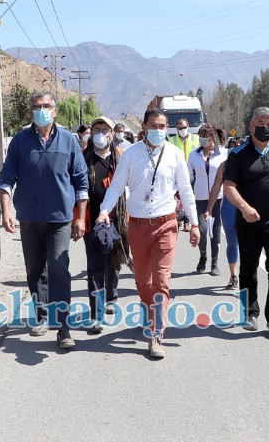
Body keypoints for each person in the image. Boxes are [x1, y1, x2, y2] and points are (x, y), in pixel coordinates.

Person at [96, 108, 201, 359]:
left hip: (166, 224)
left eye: (163, 126)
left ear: (168, 128)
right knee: (144, 281)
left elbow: (186, 191)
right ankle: (148, 308)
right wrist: (103, 211)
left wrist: (195, 224)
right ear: (144, 126)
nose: (158, 130)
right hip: (139, 226)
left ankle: (156, 334)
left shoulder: (175, 155)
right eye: (153, 125)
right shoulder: (131, 155)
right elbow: (117, 186)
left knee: (162, 281)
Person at [0, 91, 89, 349]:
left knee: (58, 267)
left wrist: (80, 218)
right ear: (31, 112)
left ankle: (63, 327)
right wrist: (6, 211)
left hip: (60, 219)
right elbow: (6, 179)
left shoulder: (69, 142)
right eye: (37, 106)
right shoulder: (19, 142)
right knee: (35, 270)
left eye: (46, 106)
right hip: (28, 220)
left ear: (55, 110)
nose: (42, 110)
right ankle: (40, 315)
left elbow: (81, 182)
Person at [223, 106, 269, 338]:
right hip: (248, 222)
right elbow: (228, 187)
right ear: (251, 124)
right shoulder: (238, 154)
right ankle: (250, 313)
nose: (265, 128)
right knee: (248, 268)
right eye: (260, 123)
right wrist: (244, 208)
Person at [81, 116, 131, 334]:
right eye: (97, 129)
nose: (101, 133)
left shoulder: (122, 158)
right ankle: (96, 315)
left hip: (119, 219)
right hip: (93, 221)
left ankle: (111, 296)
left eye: (105, 129)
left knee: (115, 261)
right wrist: (78, 219)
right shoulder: (83, 158)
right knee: (95, 268)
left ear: (113, 134)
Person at [188, 123, 227, 276]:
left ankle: (215, 262)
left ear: (212, 137)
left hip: (218, 199)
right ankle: (203, 256)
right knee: (202, 230)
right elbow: (188, 177)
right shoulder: (193, 154)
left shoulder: (223, 153)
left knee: (215, 232)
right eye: (200, 136)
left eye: (204, 136)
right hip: (200, 199)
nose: (202, 139)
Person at [205, 128, 242, 290]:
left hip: (246, 210)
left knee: (248, 244)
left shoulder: (251, 166)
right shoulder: (224, 167)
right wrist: (209, 208)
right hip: (228, 210)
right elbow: (215, 188)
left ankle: (246, 275)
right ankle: (234, 276)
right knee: (233, 243)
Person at [169, 118, 199, 231]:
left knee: (189, 198)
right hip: (176, 174)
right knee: (177, 199)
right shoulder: (171, 140)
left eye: (184, 127)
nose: (183, 130)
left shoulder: (195, 139)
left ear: (188, 127)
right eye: (180, 128)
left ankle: (187, 221)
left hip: (192, 174)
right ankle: (177, 219)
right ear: (177, 129)